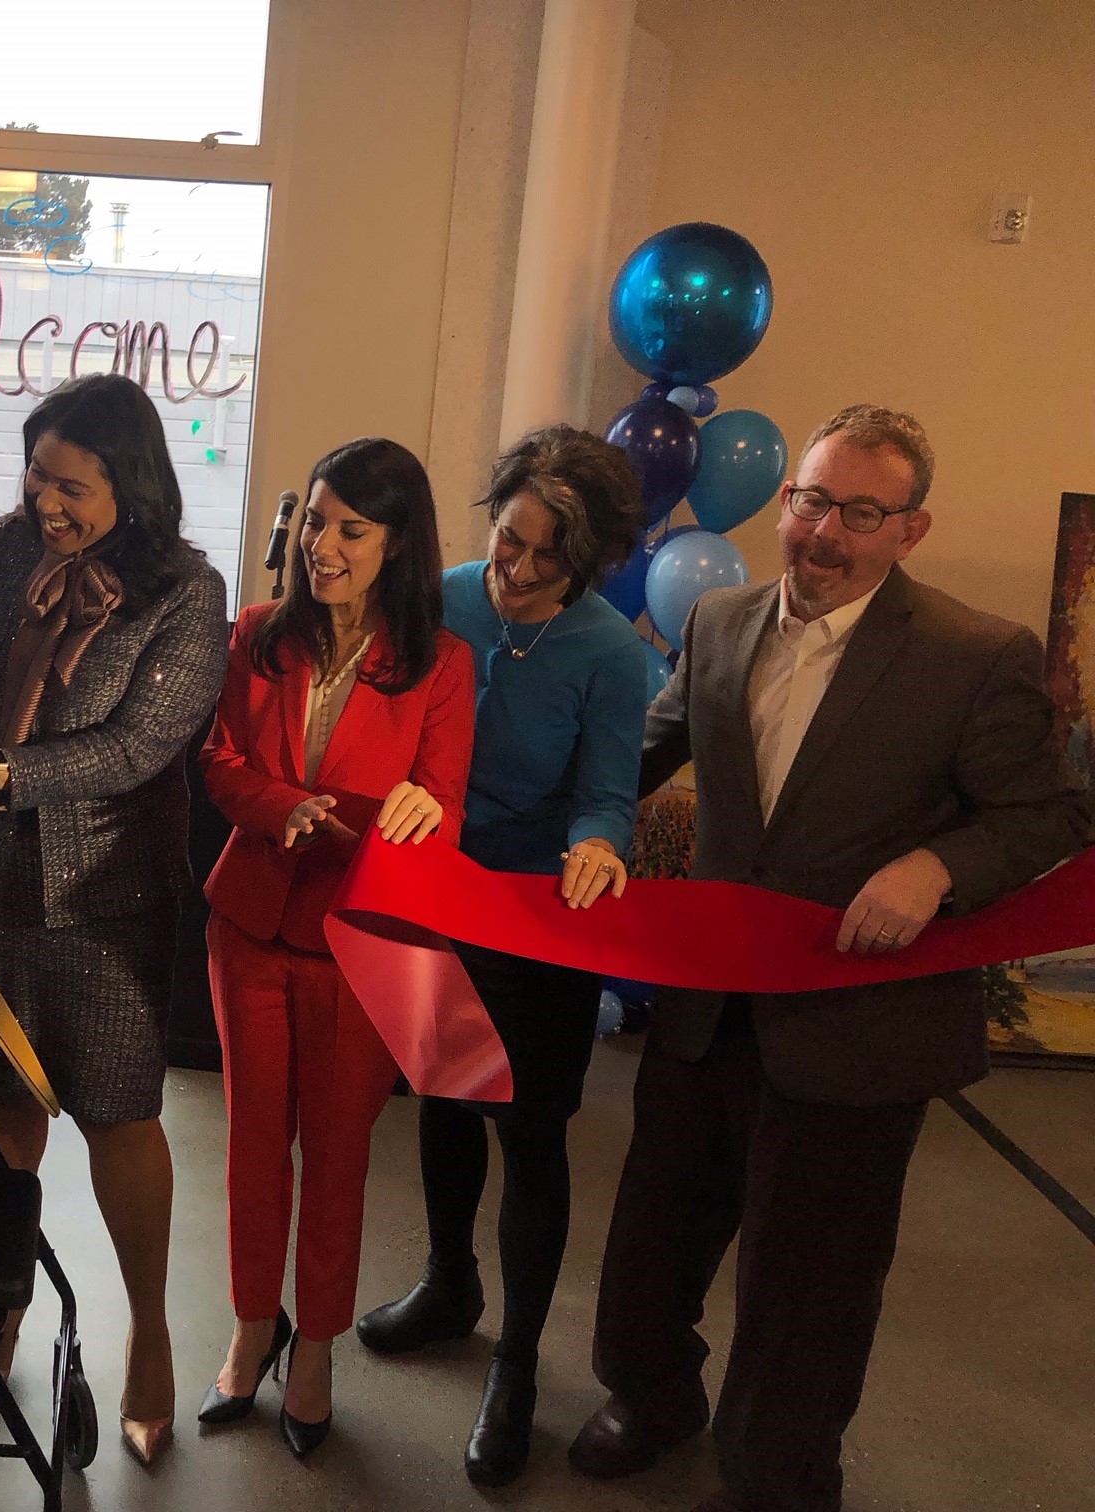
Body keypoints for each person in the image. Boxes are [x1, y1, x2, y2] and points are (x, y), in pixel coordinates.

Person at [568, 406, 1088, 1512]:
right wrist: (570, 817)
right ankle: (651, 1398)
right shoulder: (718, 619)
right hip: (710, 1009)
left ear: (912, 528)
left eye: (861, 512)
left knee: (808, 1288)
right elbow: (641, 751)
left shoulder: (976, 654)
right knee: (654, 1236)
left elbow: (1046, 818)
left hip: (859, 1033)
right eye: (812, 501)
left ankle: (777, 1475)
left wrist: (937, 869)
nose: (824, 533)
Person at [0, 373, 229, 1466]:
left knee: (118, 1118)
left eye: (72, 485)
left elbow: (136, 750)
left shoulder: (186, 593)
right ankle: (2, 1301)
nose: (46, 503)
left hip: (108, 903)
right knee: (0, 1112)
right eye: (36, 475)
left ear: (133, 483)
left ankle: (151, 1335)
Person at [354, 425, 649, 1485]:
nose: (515, 573)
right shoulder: (445, 596)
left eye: (544, 559)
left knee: (530, 1134)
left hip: (537, 918)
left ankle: (517, 1365)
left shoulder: (617, 657)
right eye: (507, 540)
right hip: (436, 897)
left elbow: (609, 790)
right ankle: (448, 1285)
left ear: (594, 562)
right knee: (440, 1095)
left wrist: (599, 842)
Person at [197, 437, 475, 1460]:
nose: (322, 545)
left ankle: (314, 1347)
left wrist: (418, 804)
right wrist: (284, 807)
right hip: (251, 922)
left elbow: (443, 807)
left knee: (339, 1154)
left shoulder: (442, 664)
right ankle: (250, 1326)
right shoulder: (259, 631)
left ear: (396, 543)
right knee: (252, 1147)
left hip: (360, 943)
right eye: (315, 521)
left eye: (349, 530)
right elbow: (221, 760)